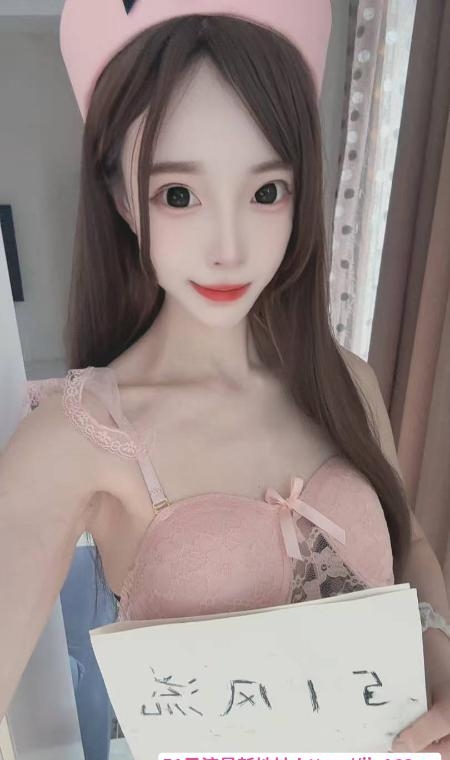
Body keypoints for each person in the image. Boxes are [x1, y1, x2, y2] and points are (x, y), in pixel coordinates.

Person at [1, 1, 449, 753]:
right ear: (121, 197)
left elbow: (412, 549)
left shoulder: (344, 380)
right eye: (179, 195)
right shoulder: (79, 436)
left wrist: (438, 655)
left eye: (266, 191)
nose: (230, 248)